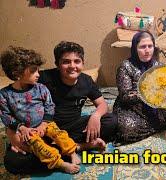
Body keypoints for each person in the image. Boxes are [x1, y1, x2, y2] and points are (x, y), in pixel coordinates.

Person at [4, 41, 118, 174]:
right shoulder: (43, 78)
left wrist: (96, 116)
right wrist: (12, 135)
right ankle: (77, 148)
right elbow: (14, 103)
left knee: (112, 121)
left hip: (73, 128)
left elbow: (102, 104)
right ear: (57, 64)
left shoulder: (86, 80)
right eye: (66, 62)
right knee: (13, 163)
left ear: (83, 63)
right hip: (43, 130)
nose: (72, 66)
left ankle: (58, 151)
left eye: (77, 61)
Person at [0, 46, 80, 174]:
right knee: (38, 147)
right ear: (17, 73)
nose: (38, 74)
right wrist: (22, 128)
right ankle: (60, 163)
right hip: (28, 132)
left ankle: (72, 153)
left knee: (61, 134)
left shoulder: (41, 88)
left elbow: (49, 106)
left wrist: (44, 123)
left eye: (38, 70)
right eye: (33, 71)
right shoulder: (5, 95)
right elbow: (6, 116)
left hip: (45, 124)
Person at [113, 31, 166, 145]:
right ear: (135, 48)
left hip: (155, 106)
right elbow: (125, 97)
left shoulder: (158, 66)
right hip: (133, 108)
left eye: (150, 46)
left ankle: (155, 125)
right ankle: (159, 126)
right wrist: (148, 92)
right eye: (142, 47)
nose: (147, 50)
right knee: (126, 129)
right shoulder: (125, 66)